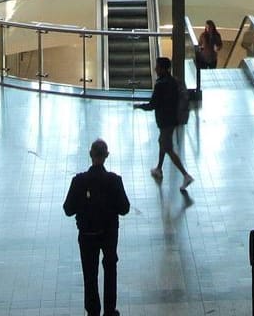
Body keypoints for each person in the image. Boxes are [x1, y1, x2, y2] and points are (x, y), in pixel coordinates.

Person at [63, 139, 131, 316]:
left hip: (87, 235)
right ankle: (110, 310)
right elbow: (125, 208)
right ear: (107, 156)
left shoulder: (79, 181)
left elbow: (68, 209)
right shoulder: (114, 180)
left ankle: (93, 310)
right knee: (110, 268)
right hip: (109, 233)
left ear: (90, 155)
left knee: (90, 273)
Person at [138, 56, 193, 186]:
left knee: (168, 148)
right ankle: (159, 168)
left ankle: (186, 175)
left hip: (165, 121)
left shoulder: (160, 85)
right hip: (173, 119)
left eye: (157, 66)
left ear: (162, 69)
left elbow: (152, 105)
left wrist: (139, 106)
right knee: (162, 142)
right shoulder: (174, 81)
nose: (155, 68)